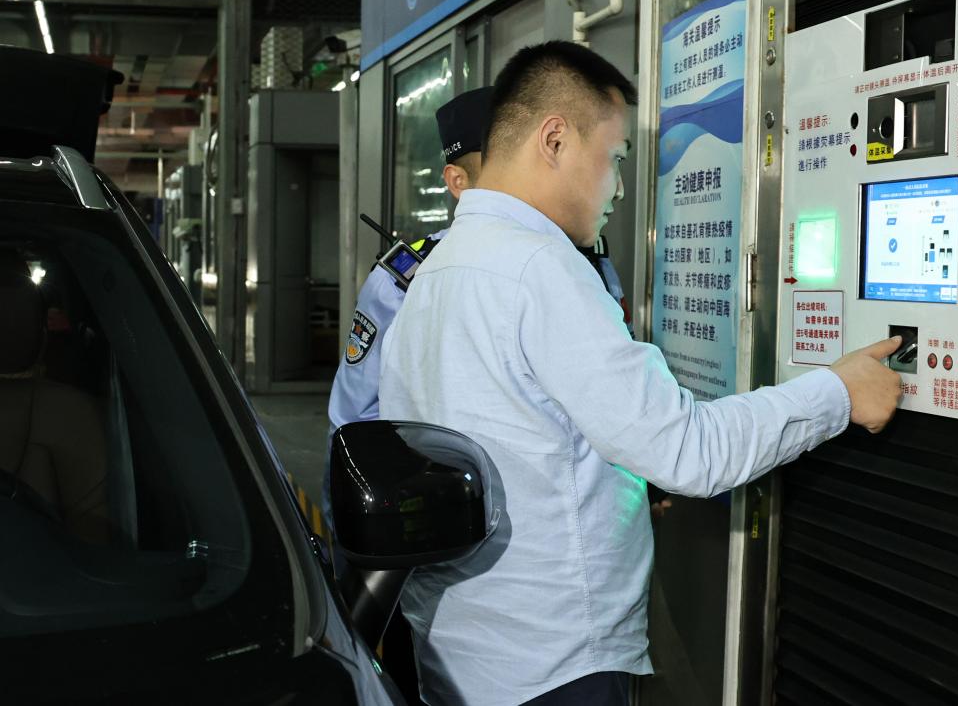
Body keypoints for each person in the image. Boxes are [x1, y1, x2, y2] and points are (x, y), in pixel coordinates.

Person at [377, 40, 903, 706]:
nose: (620, 188)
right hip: (551, 667)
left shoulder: (438, 270)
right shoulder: (542, 269)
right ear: (554, 140)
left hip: (461, 649)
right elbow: (686, 450)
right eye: (617, 158)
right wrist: (837, 391)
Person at [322, 86, 490, 534]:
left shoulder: (581, 263)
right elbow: (355, 417)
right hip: (442, 529)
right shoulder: (405, 278)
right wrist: (354, 540)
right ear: (458, 182)